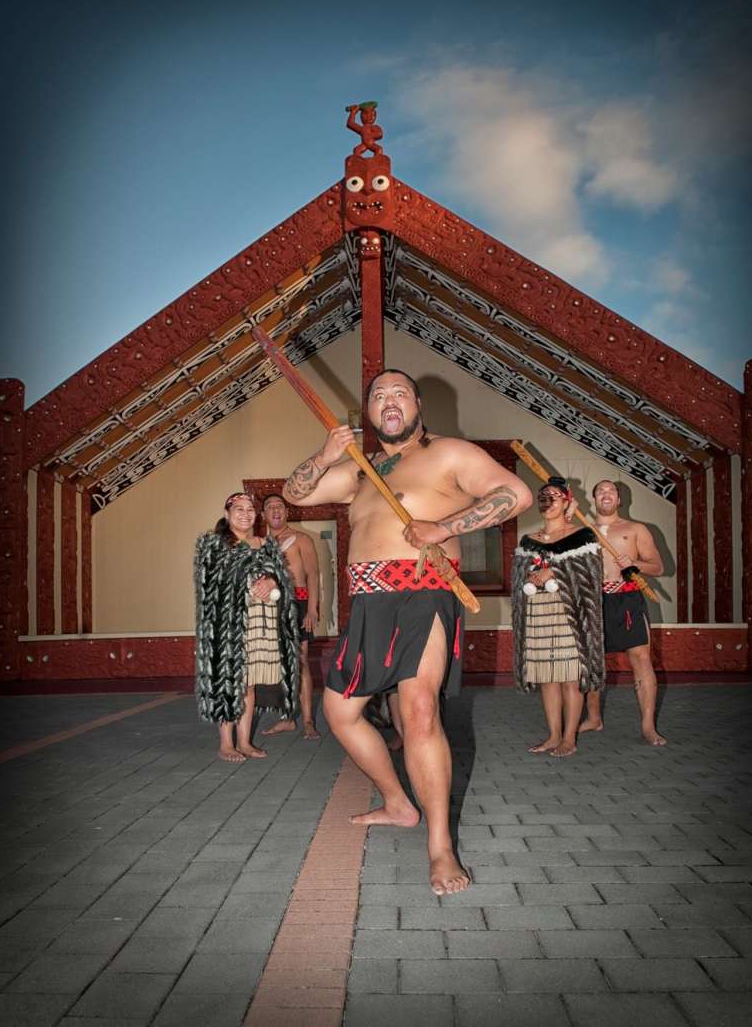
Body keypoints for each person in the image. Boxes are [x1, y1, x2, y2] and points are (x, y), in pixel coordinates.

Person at [283, 369, 532, 894]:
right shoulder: (363, 470)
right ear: (369, 411)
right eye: (378, 395)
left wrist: (444, 528)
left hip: (424, 592)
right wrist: (325, 456)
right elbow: (295, 494)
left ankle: (441, 847)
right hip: (368, 602)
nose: (389, 400)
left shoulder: (449, 453)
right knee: (339, 712)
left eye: (399, 393)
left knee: (419, 711)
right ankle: (398, 803)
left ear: (418, 404)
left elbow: (515, 494)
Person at [194, 493, 301, 762]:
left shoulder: (266, 544)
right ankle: (226, 744)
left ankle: (244, 741)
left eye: (250, 509)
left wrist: (273, 581)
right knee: (231, 681)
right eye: (238, 509)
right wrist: (250, 571)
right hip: (229, 626)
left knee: (249, 684)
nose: (245, 514)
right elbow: (211, 584)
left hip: (262, 623)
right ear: (227, 514)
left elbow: (283, 579)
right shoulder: (213, 544)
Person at [512, 477, 604, 757]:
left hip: (570, 613)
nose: (548, 500)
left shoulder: (582, 535)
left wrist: (553, 571)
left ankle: (569, 738)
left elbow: (591, 573)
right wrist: (530, 576)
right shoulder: (529, 541)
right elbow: (518, 577)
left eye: (554, 496)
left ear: (566, 502)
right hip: (538, 612)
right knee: (547, 676)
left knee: (570, 677)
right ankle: (553, 736)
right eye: (544, 496)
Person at [579, 479, 666, 745]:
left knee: (641, 659)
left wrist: (635, 563)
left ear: (619, 500)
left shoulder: (635, 529)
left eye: (611, 491)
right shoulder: (582, 530)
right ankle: (594, 718)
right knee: (592, 660)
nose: (605, 494)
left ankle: (648, 726)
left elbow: (658, 567)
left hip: (628, 598)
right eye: (600, 490)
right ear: (594, 498)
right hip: (593, 599)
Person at [261, 493, 320, 740]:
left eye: (280, 506)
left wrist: (312, 609)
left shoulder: (301, 539)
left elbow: (313, 574)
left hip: (299, 603)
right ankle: (287, 718)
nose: (275, 510)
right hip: (272, 606)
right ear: (263, 514)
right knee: (280, 663)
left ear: (286, 512)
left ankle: (307, 721)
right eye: (270, 506)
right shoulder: (261, 544)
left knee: (301, 660)